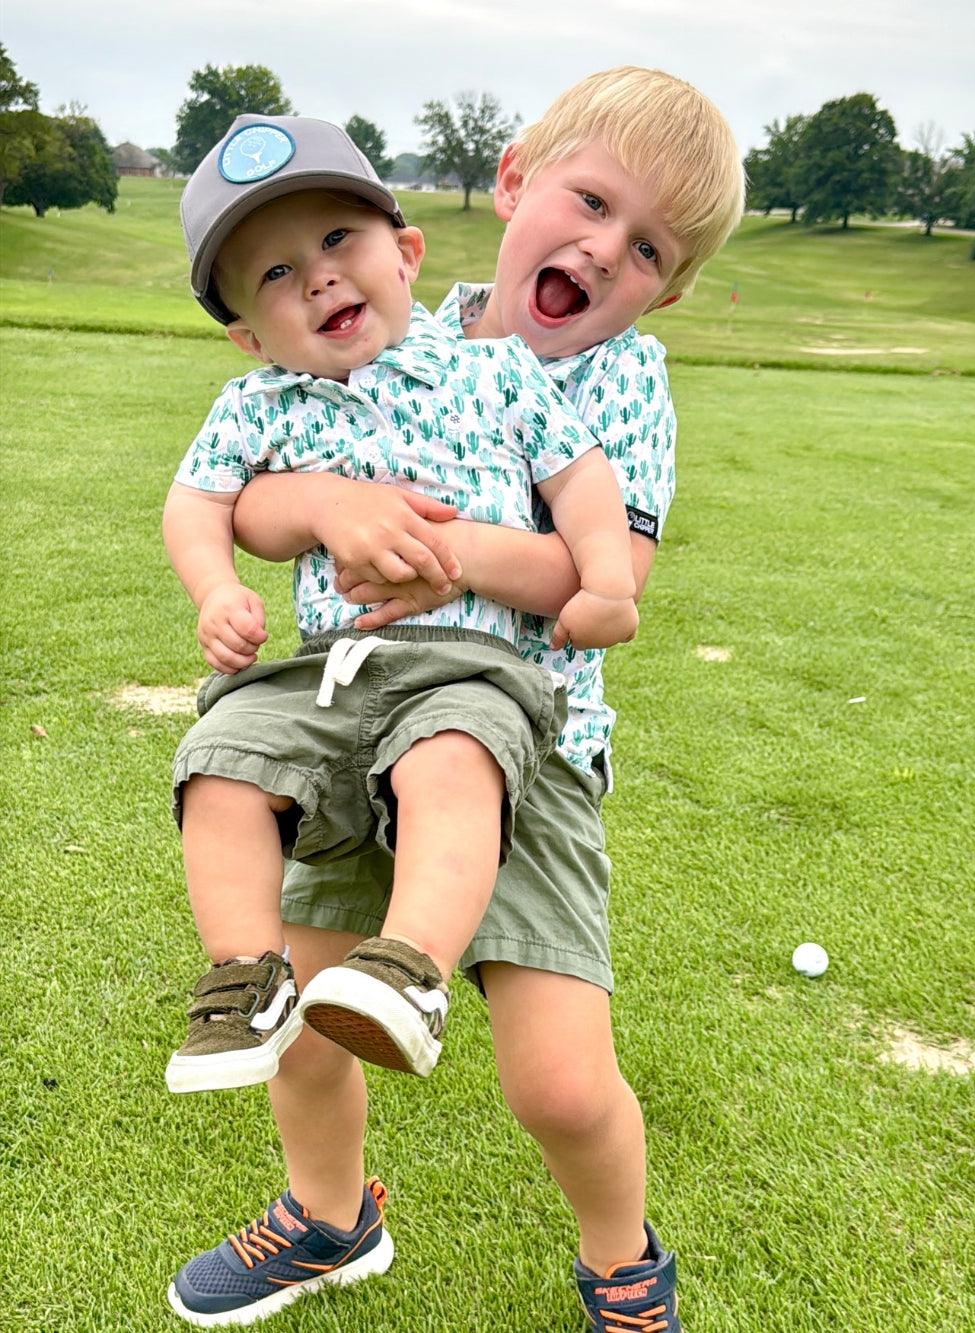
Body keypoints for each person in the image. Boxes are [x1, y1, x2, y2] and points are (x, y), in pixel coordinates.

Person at [167, 69, 744, 1331]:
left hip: (519, 743)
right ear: (513, 182)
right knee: (313, 1018)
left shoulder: (619, 382)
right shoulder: (388, 317)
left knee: (557, 1084)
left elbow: (596, 579)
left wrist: (444, 546)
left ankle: (620, 1261)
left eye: (646, 247)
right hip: (346, 712)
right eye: (590, 202)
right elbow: (250, 500)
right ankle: (330, 1219)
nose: (602, 250)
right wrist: (323, 506)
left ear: (667, 286)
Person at [162, 113, 639, 1097]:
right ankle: (246, 979)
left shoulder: (495, 370)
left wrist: (603, 579)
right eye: (277, 275)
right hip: (328, 672)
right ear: (251, 334)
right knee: (216, 758)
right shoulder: (258, 404)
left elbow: (581, 475)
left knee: (452, 756)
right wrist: (216, 588)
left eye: (338, 241)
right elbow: (198, 501)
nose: (320, 278)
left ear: (406, 252)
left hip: (471, 665)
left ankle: (406, 969)